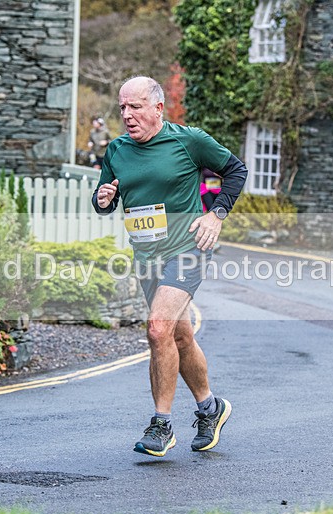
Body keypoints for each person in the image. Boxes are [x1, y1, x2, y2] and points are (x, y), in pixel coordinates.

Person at [93, 76, 247, 457]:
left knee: (157, 328)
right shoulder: (116, 150)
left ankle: (161, 426)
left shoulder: (188, 140)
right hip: (148, 256)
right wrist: (103, 198)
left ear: (158, 108)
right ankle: (211, 408)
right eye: (123, 108)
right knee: (177, 336)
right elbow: (104, 200)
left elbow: (236, 171)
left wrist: (216, 215)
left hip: (187, 249)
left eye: (136, 106)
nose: (127, 115)